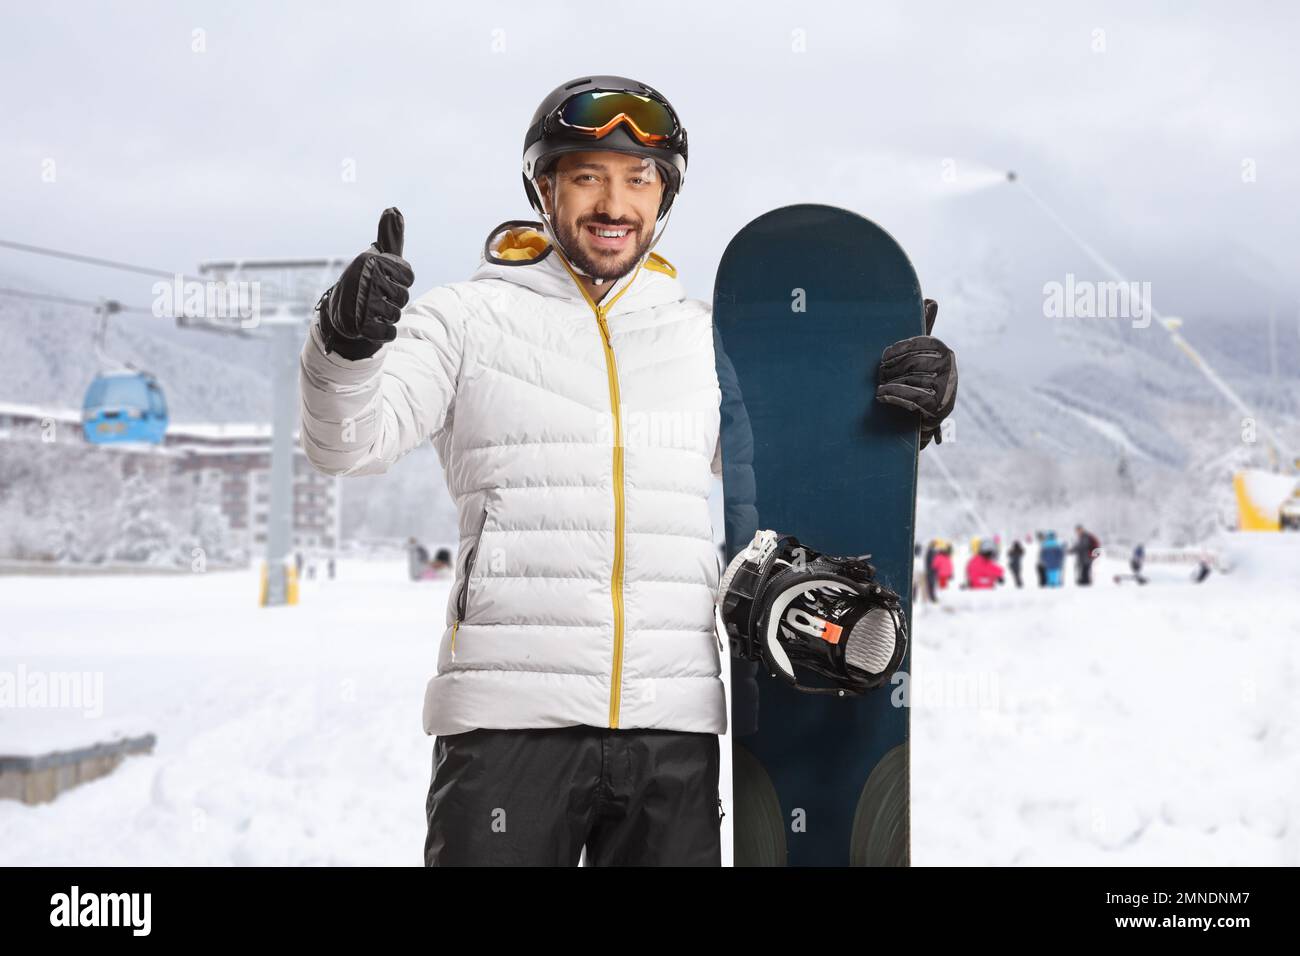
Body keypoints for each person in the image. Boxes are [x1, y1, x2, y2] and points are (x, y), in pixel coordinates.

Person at [299, 76, 959, 867]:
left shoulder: (700, 341)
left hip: (670, 728)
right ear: (544, 189)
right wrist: (345, 345)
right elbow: (348, 442)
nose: (615, 203)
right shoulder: (465, 319)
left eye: (639, 179)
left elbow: (798, 465)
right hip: (509, 725)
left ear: (663, 198)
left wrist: (894, 416)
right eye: (588, 176)